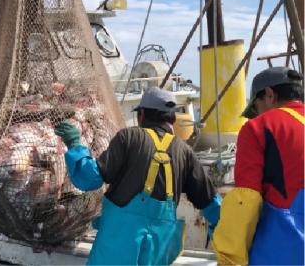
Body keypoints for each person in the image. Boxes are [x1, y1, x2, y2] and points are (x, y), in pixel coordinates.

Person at [54, 87, 222, 265]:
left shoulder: (129, 137)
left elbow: (90, 179)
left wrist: (75, 145)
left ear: (141, 115)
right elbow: (211, 204)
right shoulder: (186, 153)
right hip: (158, 252)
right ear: (173, 118)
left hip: (116, 249)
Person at [212, 67, 304, 265]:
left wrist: (229, 259)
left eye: (256, 107)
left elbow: (246, 200)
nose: (256, 115)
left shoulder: (259, 127)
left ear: (269, 94)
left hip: (283, 250)